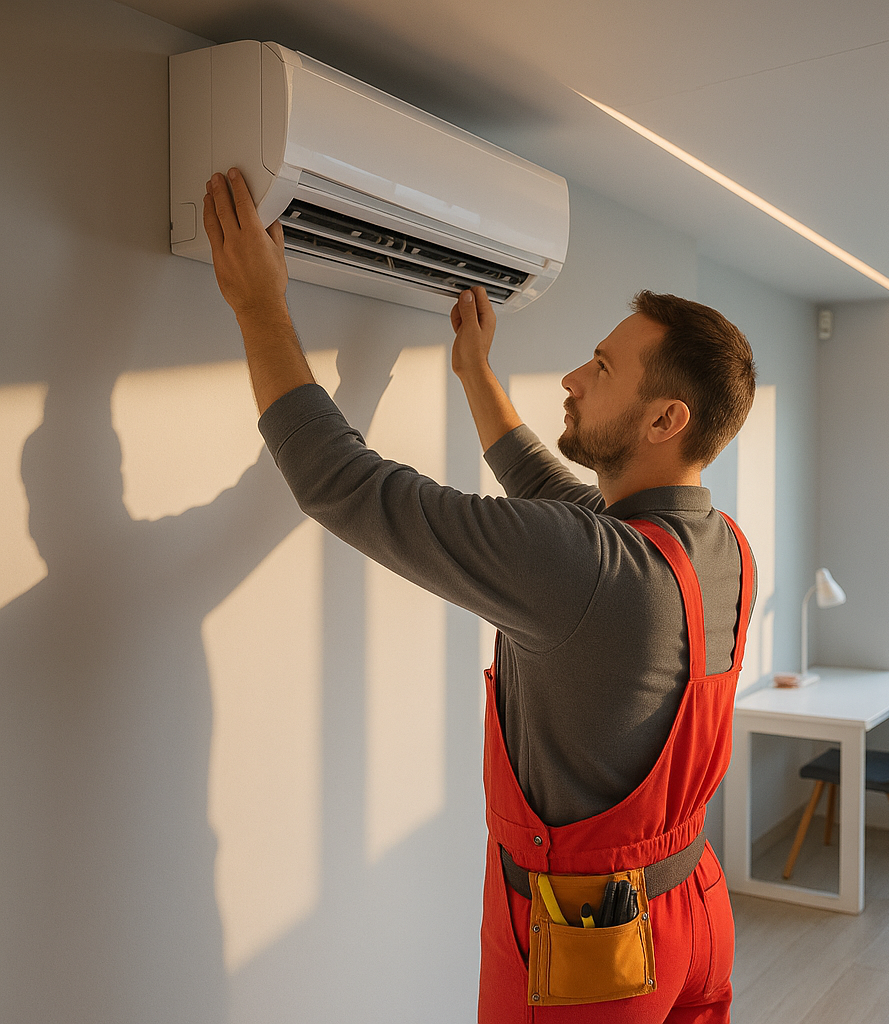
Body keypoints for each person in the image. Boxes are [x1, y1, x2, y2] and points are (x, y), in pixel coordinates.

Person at [203, 168, 757, 1023]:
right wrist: (474, 373)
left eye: (602, 367)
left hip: (592, 946)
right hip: (692, 916)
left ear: (664, 420)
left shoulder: (589, 565)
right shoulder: (714, 548)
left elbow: (341, 483)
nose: (574, 375)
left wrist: (257, 305)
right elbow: (553, 494)